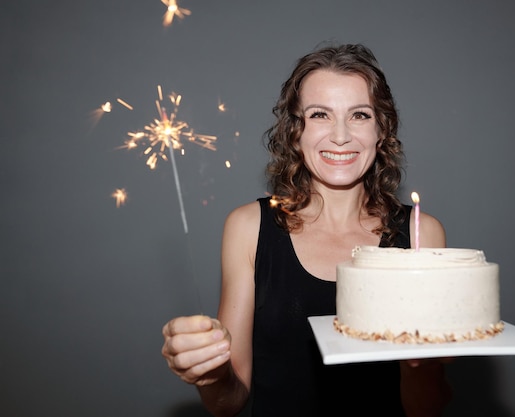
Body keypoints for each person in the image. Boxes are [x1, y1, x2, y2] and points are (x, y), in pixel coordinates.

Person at [161, 43, 451, 417]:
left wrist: (420, 363)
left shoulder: (420, 234)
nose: (341, 136)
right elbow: (227, 402)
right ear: (295, 131)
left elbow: (425, 408)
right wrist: (211, 373)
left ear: (381, 130)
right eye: (320, 115)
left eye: (359, 115)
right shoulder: (248, 227)